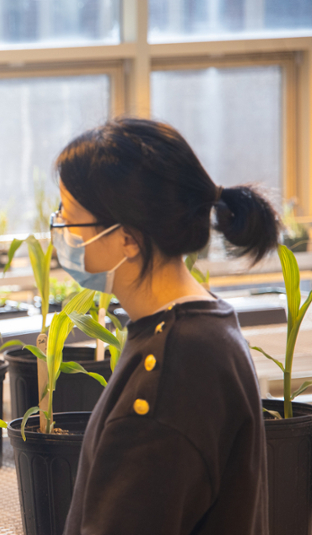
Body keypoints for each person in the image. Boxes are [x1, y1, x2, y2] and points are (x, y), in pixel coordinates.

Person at [55, 118, 273, 534]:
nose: (61, 232)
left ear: (128, 239)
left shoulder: (172, 372)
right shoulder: (203, 328)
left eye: (69, 216)